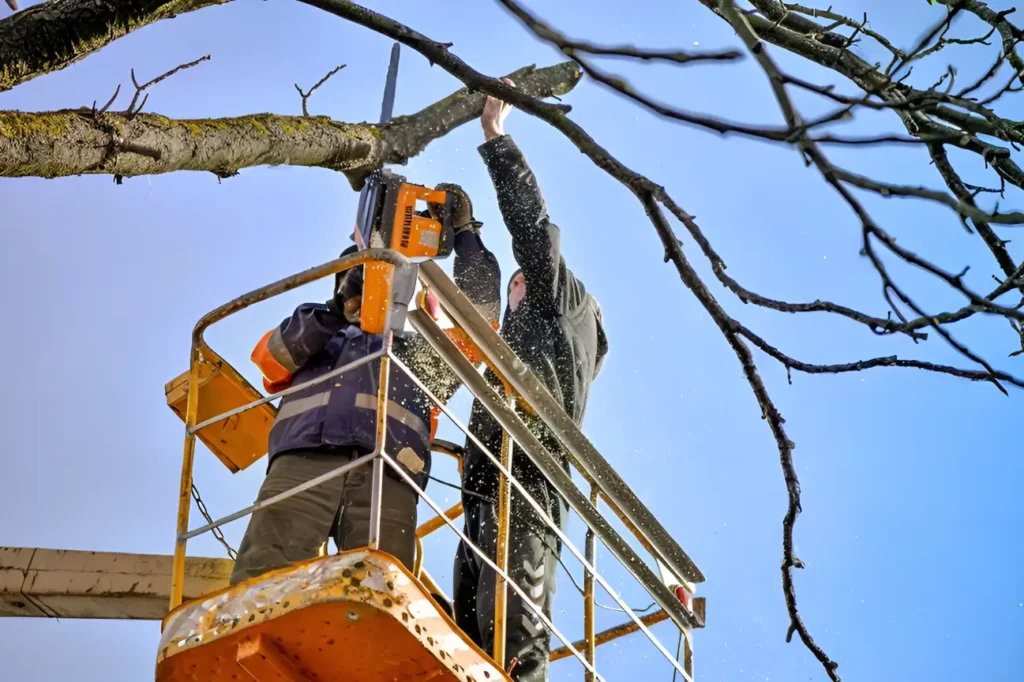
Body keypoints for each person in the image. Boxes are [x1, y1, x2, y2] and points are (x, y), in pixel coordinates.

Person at [230, 189, 500, 586]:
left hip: (388, 469)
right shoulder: (314, 331)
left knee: (379, 590)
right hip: (305, 459)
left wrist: (464, 234)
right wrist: (338, 310)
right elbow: (273, 358)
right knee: (265, 582)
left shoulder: (421, 355)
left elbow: (481, 324)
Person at [453, 83, 609, 682]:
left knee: (515, 642)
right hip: (490, 477)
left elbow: (534, 229)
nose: (512, 297)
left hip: (530, 475)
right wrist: (466, 238)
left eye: (518, 286)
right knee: (465, 640)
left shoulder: (562, 302)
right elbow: (478, 312)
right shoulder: (535, 334)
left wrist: (497, 139)